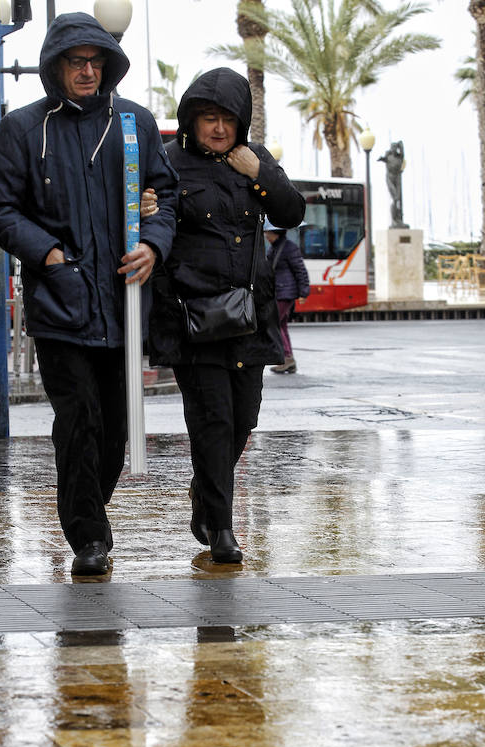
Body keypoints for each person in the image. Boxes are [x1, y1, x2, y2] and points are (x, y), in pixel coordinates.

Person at [0, 13, 178, 577]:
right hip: (61, 303)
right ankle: (89, 536)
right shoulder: (22, 129)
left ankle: (91, 510)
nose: (87, 71)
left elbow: (165, 197)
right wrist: (49, 254)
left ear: (108, 65)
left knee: (114, 425)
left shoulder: (136, 122)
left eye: (96, 61)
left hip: (123, 299)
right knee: (79, 417)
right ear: (56, 66)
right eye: (76, 61)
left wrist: (155, 246)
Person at [148, 68, 305, 565]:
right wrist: (146, 206)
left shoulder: (254, 161)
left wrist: (259, 173)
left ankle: (204, 488)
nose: (217, 128)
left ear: (243, 122)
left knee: (243, 418)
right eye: (208, 118)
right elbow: (145, 223)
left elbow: (291, 212)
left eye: (228, 119)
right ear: (190, 120)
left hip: (248, 314)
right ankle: (221, 526)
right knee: (213, 420)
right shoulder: (167, 163)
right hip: (193, 315)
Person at [264, 220, 310, 374]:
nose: (265, 235)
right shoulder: (275, 248)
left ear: (275, 232)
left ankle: (287, 358)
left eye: (267, 233)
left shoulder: (289, 248)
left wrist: (304, 293)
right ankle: (288, 359)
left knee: (275, 324)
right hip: (279, 292)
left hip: (285, 293)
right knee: (281, 325)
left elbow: (300, 270)